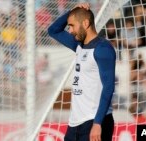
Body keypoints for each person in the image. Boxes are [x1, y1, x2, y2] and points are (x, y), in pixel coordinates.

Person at [48, 3, 115, 141]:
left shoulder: (103, 49)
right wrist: (71, 12)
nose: (70, 30)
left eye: (72, 25)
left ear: (85, 23)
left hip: (95, 121)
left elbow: (108, 87)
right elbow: (53, 30)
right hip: (75, 124)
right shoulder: (79, 45)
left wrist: (97, 123)